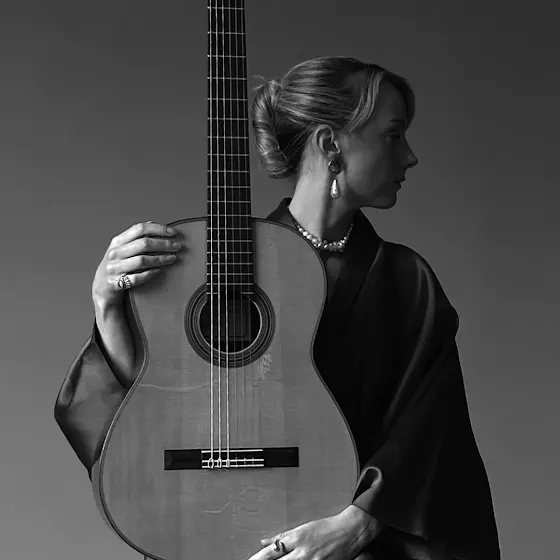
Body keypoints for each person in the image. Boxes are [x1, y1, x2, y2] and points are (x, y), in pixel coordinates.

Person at [54, 56, 501, 560]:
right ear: (330, 144)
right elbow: (139, 411)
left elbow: (434, 431)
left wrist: (355, 525)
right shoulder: (200, 273)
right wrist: (107, 303)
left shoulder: (406, 280)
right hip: (210, 526)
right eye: (393, 135)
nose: (411, 156)